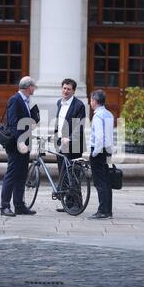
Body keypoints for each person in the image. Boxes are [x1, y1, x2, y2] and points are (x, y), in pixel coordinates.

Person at [0, 76, 37, 217]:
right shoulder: (15, 99)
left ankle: (19, 206)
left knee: (22, 175)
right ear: (29, 87)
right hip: (17, 144)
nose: (34, 89)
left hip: (25, 143)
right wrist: (20, 142)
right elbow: (13, 123)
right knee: (11, 175)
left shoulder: (26, 100)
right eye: (33, 86)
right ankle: (4, 207)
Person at [54, 78, 86, 213]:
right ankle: (67, 203)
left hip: (74, 145)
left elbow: (80, 126)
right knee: (63, 174)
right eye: (64, 88)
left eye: (69, 89)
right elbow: (59, 123)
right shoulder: (59, 103)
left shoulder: (79, 105)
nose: (65, 91)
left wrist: (70, 139)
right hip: (61, 144)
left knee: (74, 175)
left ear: (73, 91)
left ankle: (76, 204)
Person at [88, 90, 114, 219]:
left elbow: (99, 137)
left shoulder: (98, 116)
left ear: (95, 101)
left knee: (100, 183)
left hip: (98, 151)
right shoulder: (109, 114)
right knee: (106, 182)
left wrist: (94, 153)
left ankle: (102, 210)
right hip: (106, 150)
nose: (90, 102)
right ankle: (108, 211)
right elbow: (109, 136)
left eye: (91, 100)